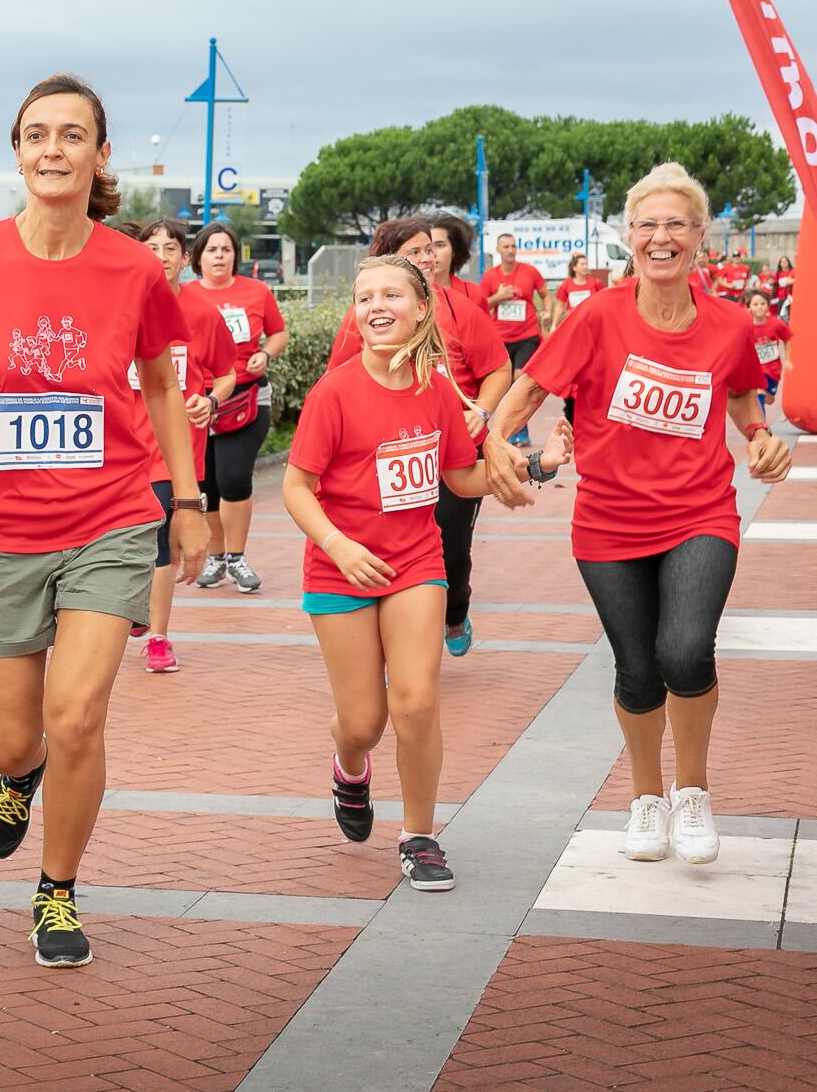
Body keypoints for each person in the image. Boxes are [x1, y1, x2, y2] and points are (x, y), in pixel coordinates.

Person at [0, 75, 207, 968]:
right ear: (16, 152)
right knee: (10, 737)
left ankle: (58, 890)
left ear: (99, 155)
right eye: (36, 134)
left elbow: (159, 385)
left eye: (71, 135)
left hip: (111, 518)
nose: (53, 149)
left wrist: (184, 503)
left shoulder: (133, 269)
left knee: (77, 716)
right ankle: (20, 776)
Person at [484, 163, 793, 866]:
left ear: (699, 237)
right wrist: (497, 443)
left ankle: (692, 794)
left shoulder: (730, 323)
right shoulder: (597, 315)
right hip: (609, 522)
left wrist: (762, 438)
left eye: (676, 224)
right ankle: (645, 800)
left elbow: (745, 397)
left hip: (700, 512)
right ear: (629, 237)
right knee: (637, 670)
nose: (661, 237)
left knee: (684, 650)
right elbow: (530, 391)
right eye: (647, 224)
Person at [285, 259, 562, 892]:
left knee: (415, 702)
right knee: (364, 721)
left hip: (415, 564)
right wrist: (338, 544)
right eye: (363, 297)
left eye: (390, 294)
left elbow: (460, 476)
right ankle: (349, 765)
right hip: (341, 569)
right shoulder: (335, 391)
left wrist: (530, 467)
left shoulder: (437, 388)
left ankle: (419, 835)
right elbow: (297, 486)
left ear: (420, 309)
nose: (375, 305)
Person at [328, 219, 511, 658]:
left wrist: (480, 413)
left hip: (454, 452)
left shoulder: (461, 310)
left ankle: (455, 610)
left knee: (451, 547)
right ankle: (401, 643)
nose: (428, 258)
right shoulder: (365, 320)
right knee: (391, 540)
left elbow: (498, 368)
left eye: (432, 249)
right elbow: (338, 383)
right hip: (389, 456)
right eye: (416, 251)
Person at [130, 218, 237, 673]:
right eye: (151, 246)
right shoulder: (121, 308)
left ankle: (158, 636)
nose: (160, 255)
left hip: (174, 453)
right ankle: (138, 605)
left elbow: (228, 371)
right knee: (131, 542)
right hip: (121, 448)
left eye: (169, 247)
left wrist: (210, 401)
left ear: (183, 256)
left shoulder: (200, 312)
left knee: (160, 543)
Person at [179, 221, 287, 593]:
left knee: (234, 477)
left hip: (246, 397)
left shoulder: (255, 291)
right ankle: (216, 557)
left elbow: (279, 331)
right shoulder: (185, 295)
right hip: (198, 403)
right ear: (197, 257)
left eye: (226, 250)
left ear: (235, 256)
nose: (219, 256)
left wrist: (265, 353)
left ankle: (238, 557)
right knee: (207, 481)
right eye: (212, 250)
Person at [479, 233, 548, 446]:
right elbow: (481, 306)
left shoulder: (529, 271)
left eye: (513, 246)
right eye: (506, 246)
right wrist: (499, 297)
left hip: (526, 334)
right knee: (505, 384)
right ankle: (508, 429)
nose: (511, 250)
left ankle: (521, 431)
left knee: (520, 378)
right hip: (500, 337)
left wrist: (546, 312)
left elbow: (545, 293)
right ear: (498, 250)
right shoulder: (490, 276)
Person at [746, 287, 794, 415]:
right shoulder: (746, 325)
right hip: (755, 368)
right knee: (759, 393)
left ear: (768, 306)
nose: (759, 307)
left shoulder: (776, 324)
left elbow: (788, 338)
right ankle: (763, 428)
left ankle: (767, 397)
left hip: (773, 369)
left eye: (762, 304)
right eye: (755, 304)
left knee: (769, 399)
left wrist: (788, 359)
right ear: (749, 307)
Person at [554, 252, 602, 324]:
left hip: (591, 322)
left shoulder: (595, 282)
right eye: (582, 264)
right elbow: (560, 307)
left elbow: (602, 302)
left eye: (586, 264)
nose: (585, 266)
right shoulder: (566, 284)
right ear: (574, 268)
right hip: (573, 323)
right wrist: (554, 326)